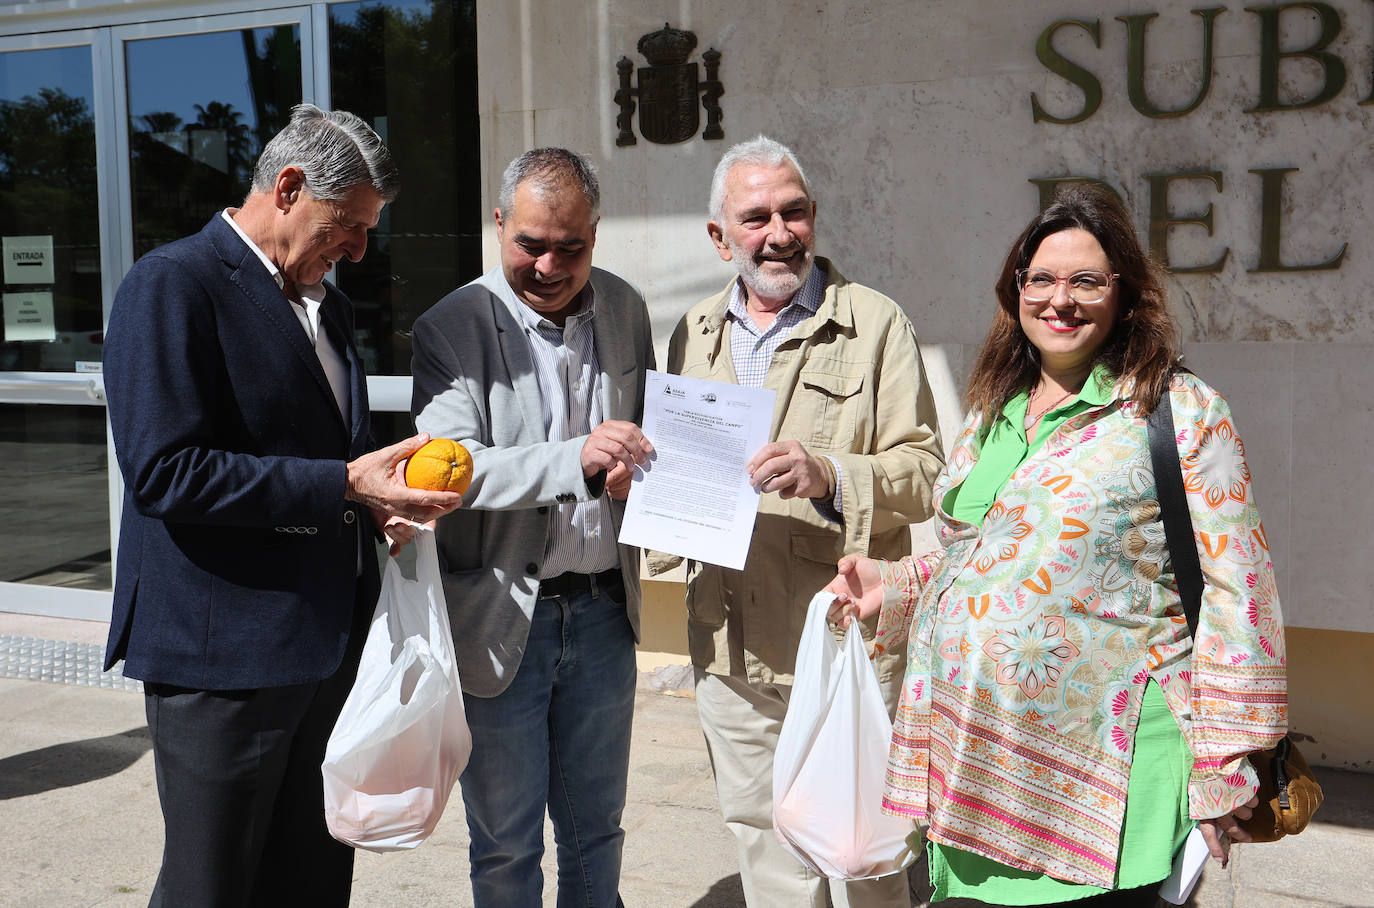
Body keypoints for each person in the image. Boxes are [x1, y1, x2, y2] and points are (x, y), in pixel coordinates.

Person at [827, 184, 1288, 906]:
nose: (1059, 299)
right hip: (974, 770)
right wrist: (895, 584)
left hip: (1102, 791)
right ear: (1016, 291)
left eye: (1086, 281)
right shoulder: (990, 413)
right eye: (1040, 278)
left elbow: (1241, 591)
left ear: (1126, 292)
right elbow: (976, 555)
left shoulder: (1180, 410)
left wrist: (1228, 766)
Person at [102, 103, 463, 907]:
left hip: (325, 650)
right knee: (214, 886)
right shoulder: (172, 284)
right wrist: (343, 485)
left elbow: (338, 451)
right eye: (350, 225)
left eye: (370, 230)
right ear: (290, 186)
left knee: (312, 878)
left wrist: (382, 506)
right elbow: (166, 472)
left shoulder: (327, 307)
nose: (360, 250)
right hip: (222, 660)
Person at [650, 135, 945, 907]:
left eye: (794, 212)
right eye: (755, 218)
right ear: (720, 238)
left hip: (842, 640)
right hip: (729, 647)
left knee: (865, 857)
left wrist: (833, 474)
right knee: (766, 850)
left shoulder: (878, 324)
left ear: (814, 216)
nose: (778, 233)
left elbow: (926, 474)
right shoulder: (692, 333)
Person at [410, 147, 655, 907]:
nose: (550, 265)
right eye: (530, 244)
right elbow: (448, 471)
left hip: (606, 610)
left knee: (597, 832)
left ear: (596, 234)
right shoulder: (451, 325)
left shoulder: (625, 307)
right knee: (507, 845)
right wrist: (576, 461)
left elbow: (646, 432)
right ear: (498, 225)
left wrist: (632, 470)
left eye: (571, 248)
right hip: (502, 616)